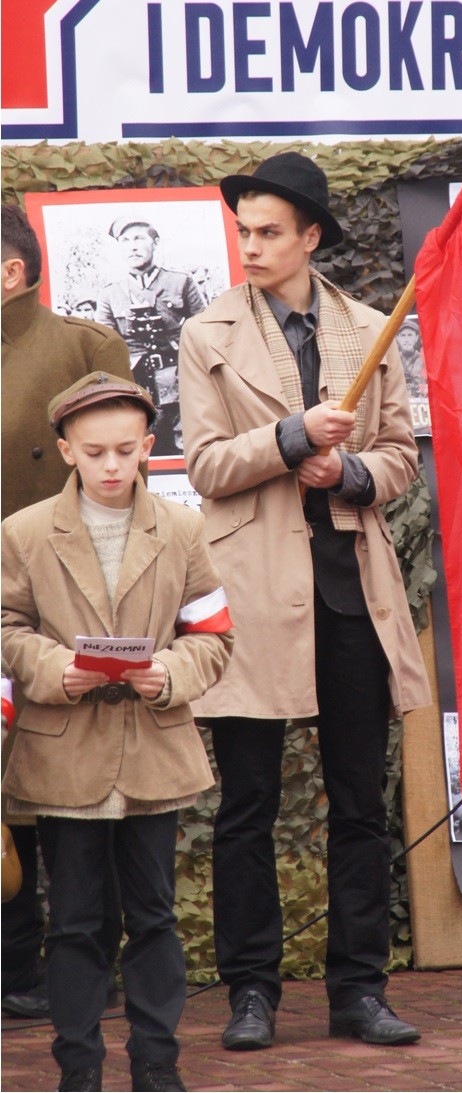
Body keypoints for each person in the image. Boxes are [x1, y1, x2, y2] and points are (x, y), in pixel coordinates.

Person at [178, 152, 431, 1051]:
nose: (249, 245)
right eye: (243, 230)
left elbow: (400, 455)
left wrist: (348, 468)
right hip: (250, 594)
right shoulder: (204, 333)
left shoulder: (370, 327)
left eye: (268, 231)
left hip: (352, 593)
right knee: (245, 801)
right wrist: (289, 438)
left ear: (310, 236)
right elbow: (205, 466)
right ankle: (252, 993)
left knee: (360, 801)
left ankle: (358, 991)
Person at [1, 373, 234, 1093]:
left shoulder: (185, 528)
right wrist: (50, 667)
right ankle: (79, 1068)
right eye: (95, 450)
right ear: (65, 449)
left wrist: (168, 670)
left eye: (125, 450)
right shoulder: (24, 532)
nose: (110, 465)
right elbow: (7, 628)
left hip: (152, 748)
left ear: (147, 448)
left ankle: (157, 1066)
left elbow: (214, 634)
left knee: (155, 915)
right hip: (62, 751)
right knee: (73, 921)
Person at [1, 203, 135, 1020]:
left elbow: (120, 476)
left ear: (11, 269)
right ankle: (13, 965)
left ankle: (78, 965)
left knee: (70, 790)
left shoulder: (81, 347)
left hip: (60, 600)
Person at [96, 219, 205, 455]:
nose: (132, 246)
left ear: (155, 242)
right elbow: (103, 345)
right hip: (133, 388)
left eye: (139, 238)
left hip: (179, 383)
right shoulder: (110, 293)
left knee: (186, 453)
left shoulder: (181, 282)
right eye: (125, 241)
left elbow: (207, 330)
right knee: (139, 454)